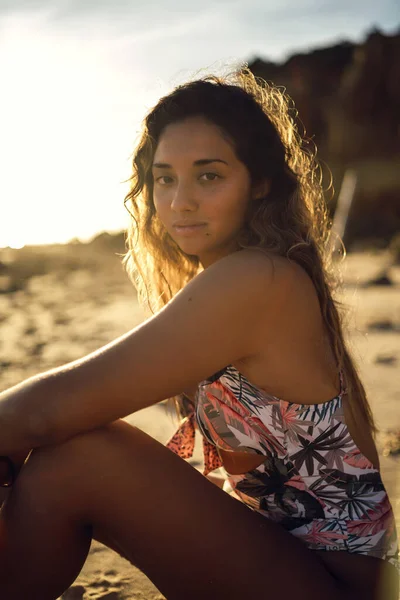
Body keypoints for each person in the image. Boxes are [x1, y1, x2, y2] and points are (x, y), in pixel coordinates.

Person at [0, 67, 398, 600]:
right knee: (69, 452)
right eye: (165, 178)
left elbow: (48, 410)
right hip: (294, 560)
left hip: (332, 582)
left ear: (259, 183)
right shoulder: (248, 275)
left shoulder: (259, 278)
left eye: (208, 176)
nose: (179, 201)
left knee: (77, 458)